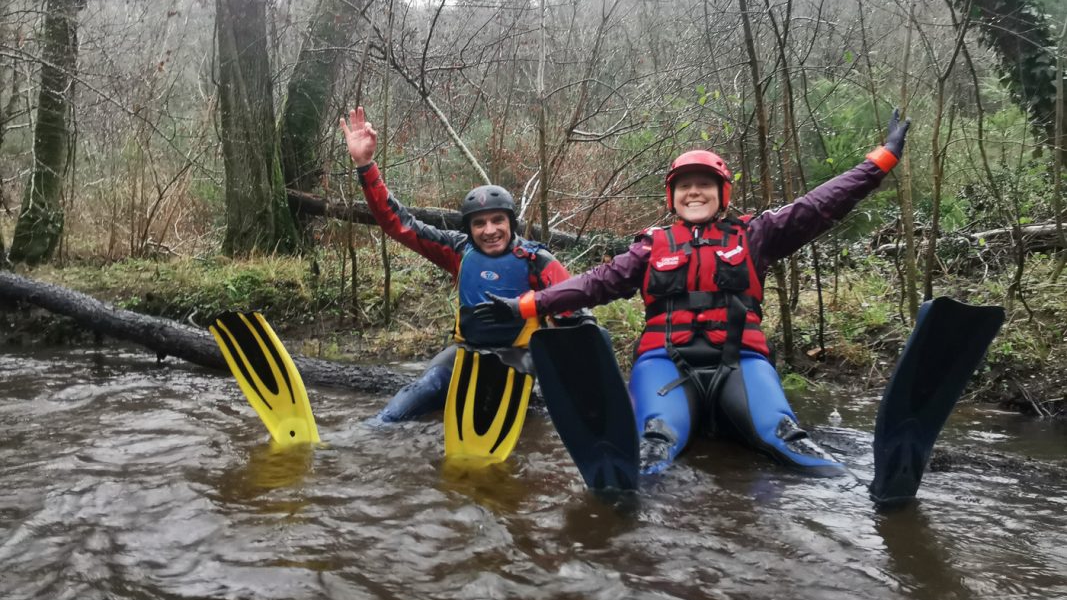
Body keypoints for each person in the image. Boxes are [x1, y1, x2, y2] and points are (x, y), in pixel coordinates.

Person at [473, 110, 911, 475]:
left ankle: (865, 493)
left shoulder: (756, 235)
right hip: (665, 362)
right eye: (685, 185)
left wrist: (882, 161)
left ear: (723, 194)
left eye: (704, 184)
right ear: (673, 195)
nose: (694, 191)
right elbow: (594, 283)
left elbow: (820, 205)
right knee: (655, 444)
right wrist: (526, 304)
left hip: (741, 362)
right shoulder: (650, 247)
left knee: (786, 436)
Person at [339, 106, 576, 424]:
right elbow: (398, 223)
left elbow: (573, 312)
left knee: (496, 417)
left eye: (497, 221)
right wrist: (365, 165)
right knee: (402, 407)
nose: (489, 230)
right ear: (469, 228)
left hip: (520, 359)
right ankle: (367, 433)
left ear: (511, 223)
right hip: (465, 352)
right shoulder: (458, 250)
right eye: (479, 223)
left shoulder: (537, 261)